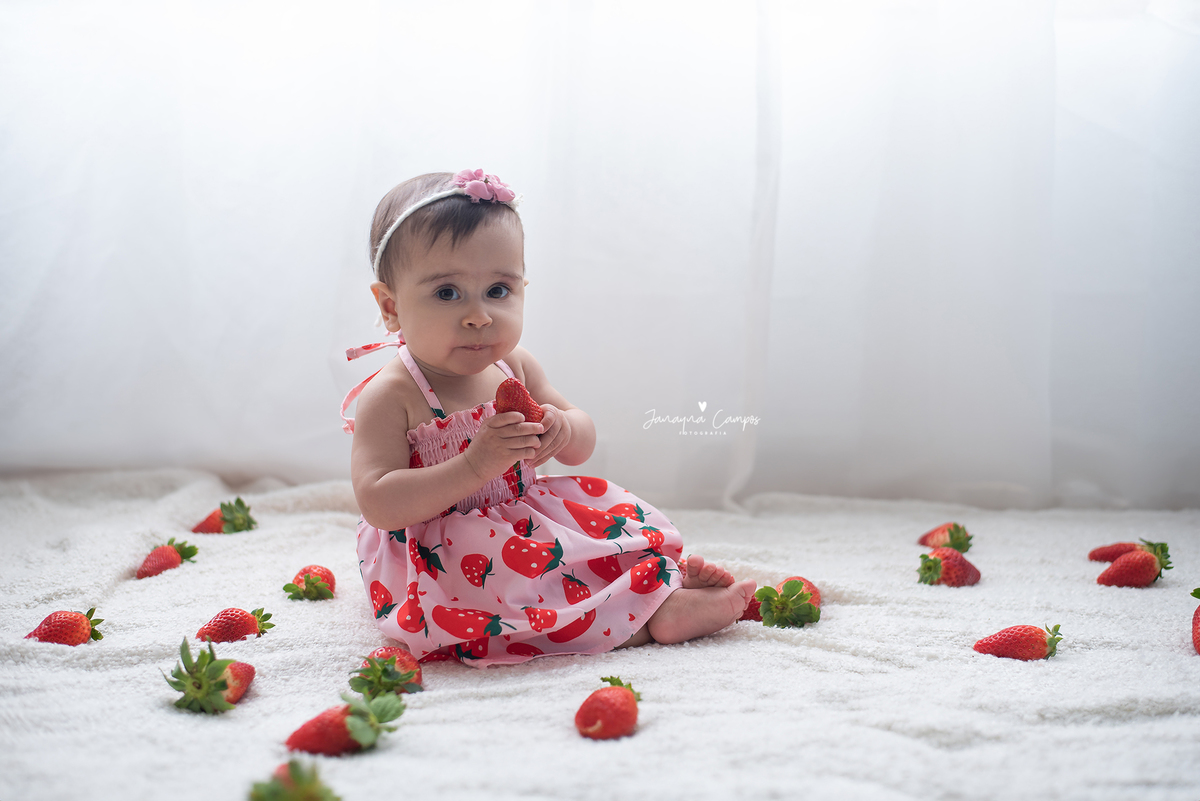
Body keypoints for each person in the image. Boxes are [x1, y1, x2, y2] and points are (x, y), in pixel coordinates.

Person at [342, 169, 756, 666]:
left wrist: (563, 428)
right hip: (446, 553)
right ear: (391, 307)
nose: (479, 316)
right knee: (508, 599)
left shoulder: (512, 365)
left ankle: (654, 587)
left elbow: (581, 442)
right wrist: (473, 466)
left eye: (498, 290)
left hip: (524, 521)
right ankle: (649, 622)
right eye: (447, 293)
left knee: (597, 549)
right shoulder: (392, 395)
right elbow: (379, 502)